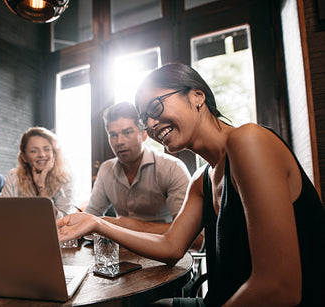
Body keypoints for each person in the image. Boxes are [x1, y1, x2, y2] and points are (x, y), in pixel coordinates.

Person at [57, 63, 325, 306]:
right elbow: (171, 247)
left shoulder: (250, 141)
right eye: (144, 118)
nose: (150, 124)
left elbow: (278, 288)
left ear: (197, 96)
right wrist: (98, 223)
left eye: (155, 107)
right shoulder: (202, 179)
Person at [84, 102, 191, 234]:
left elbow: (193, 235)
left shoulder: (172, 168)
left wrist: (126, 225)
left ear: (144, 135)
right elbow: (91, 215)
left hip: (163, 252)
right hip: (122, 252)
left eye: (127, 132)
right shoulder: (106, 169)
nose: (119, 142)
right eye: (113, 135)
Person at [0, 127, 75, 214]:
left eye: (47, 149)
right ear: (24, 157)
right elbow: (5, 213)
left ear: (54, 153)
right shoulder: (14, 176)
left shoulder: (65, 178)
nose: (42, 155)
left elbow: (64, 221)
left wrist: (41, 187)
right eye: (33, 151)